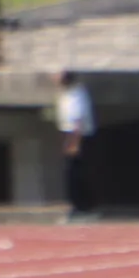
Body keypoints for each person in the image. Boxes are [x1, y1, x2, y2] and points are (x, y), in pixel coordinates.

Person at [55, 70, 95, 214]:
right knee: (71, 172)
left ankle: (82, 206)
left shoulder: (76, 93)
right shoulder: (65, 93)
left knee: (76, 173)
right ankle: (76, 204)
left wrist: (74, 143)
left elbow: (77, 121)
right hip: (70, 134)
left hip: (77, 136)